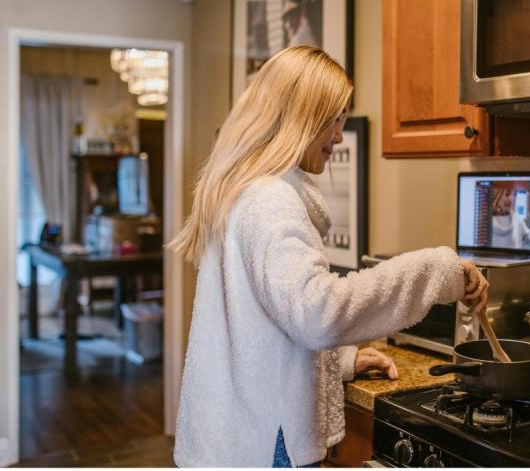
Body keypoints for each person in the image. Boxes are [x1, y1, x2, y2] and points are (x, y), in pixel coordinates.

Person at [168, 46, 489, 467]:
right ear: (301, 118)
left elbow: (267, 325)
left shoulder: (242, 190)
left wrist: (341, 360)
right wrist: (438, 270)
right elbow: (318, 312)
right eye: (335, 119)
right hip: (269, 446)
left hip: (239, 438)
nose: (339, 135)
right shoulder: (270, 200)